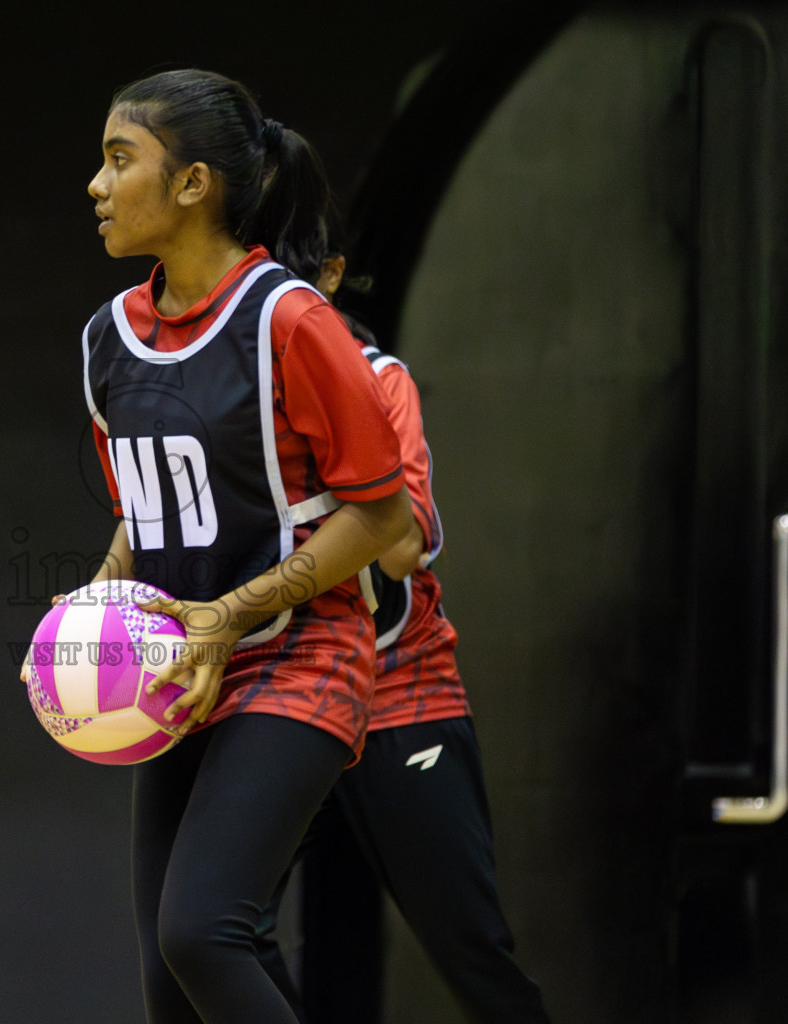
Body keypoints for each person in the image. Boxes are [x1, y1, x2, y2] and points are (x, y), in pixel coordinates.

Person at [77, 69, 418, 1024]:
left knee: (202, 933)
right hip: (183, 667)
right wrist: (96, 608)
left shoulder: (290, 319)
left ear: (192, 184)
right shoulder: (109, 338)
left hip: (301, 655)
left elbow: (381, 518)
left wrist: (230, 614)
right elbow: (143, 515)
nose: (95, 186)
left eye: (118, 160)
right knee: (168, 980)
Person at [261, 239, 553, 1024]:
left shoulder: (377, 379)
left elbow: (398, 545)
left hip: (398, 697)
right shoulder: (224, 389)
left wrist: (332, 441)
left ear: (327, 273)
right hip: (275, 697)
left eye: (285, 268)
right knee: (210, 934)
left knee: (468, 946)